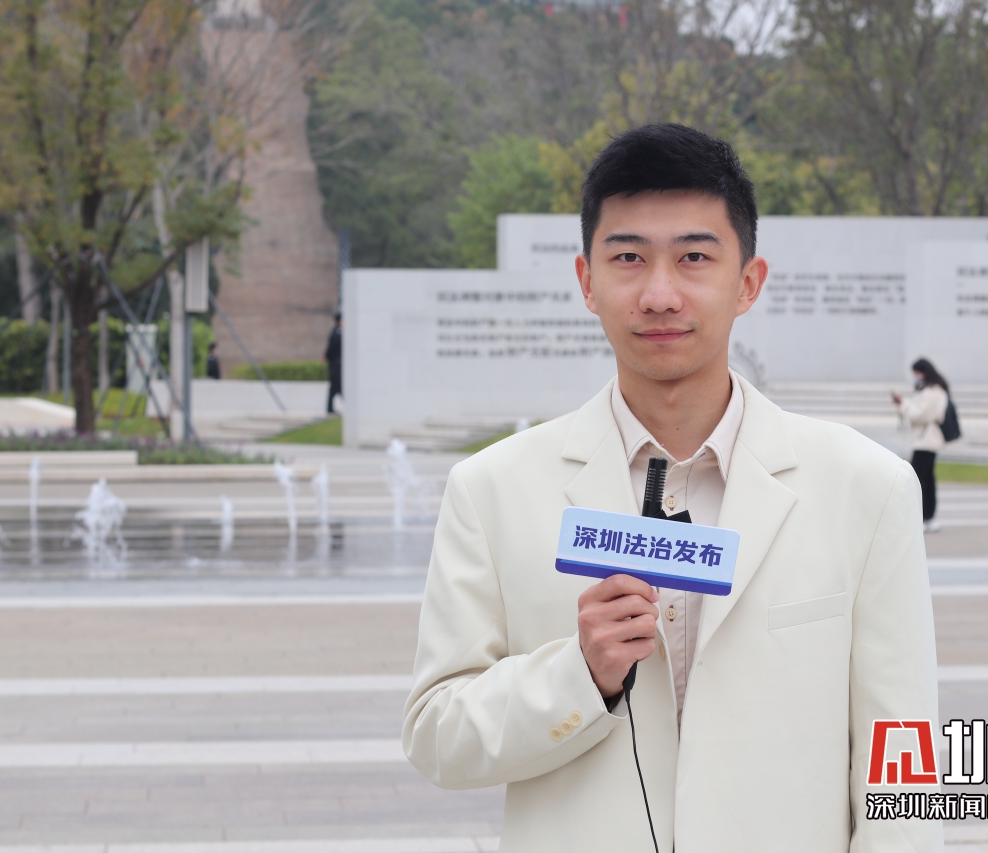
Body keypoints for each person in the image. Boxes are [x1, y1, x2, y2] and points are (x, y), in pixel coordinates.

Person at [403, 125, 939, 853]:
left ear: (748, 282)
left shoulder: (865, 489)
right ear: (587, 281)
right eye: (628, 258)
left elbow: (904, 756)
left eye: (694, 257)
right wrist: (579, 675)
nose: (659, 294)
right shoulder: (491, 490)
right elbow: (437, 734)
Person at [891, 358, 949, 533]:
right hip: (925, 439)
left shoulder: (933, 391)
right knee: (927, 479)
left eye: (916, 373)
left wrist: (903, 406)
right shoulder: (930, 390)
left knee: (920, 480)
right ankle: (928, 517)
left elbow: (920, 414)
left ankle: (924, 516)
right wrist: (904, 404)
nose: (915, 377)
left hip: (925, 441)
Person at [323, 312, 342, 415]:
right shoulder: (335, 333)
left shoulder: (340, 332)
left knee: (335, 387)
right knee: (337, 385)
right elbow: (331, 348)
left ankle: (330, 408)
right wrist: (325, 356)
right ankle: (330, 408)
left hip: (338, 364)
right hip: (335, 364)